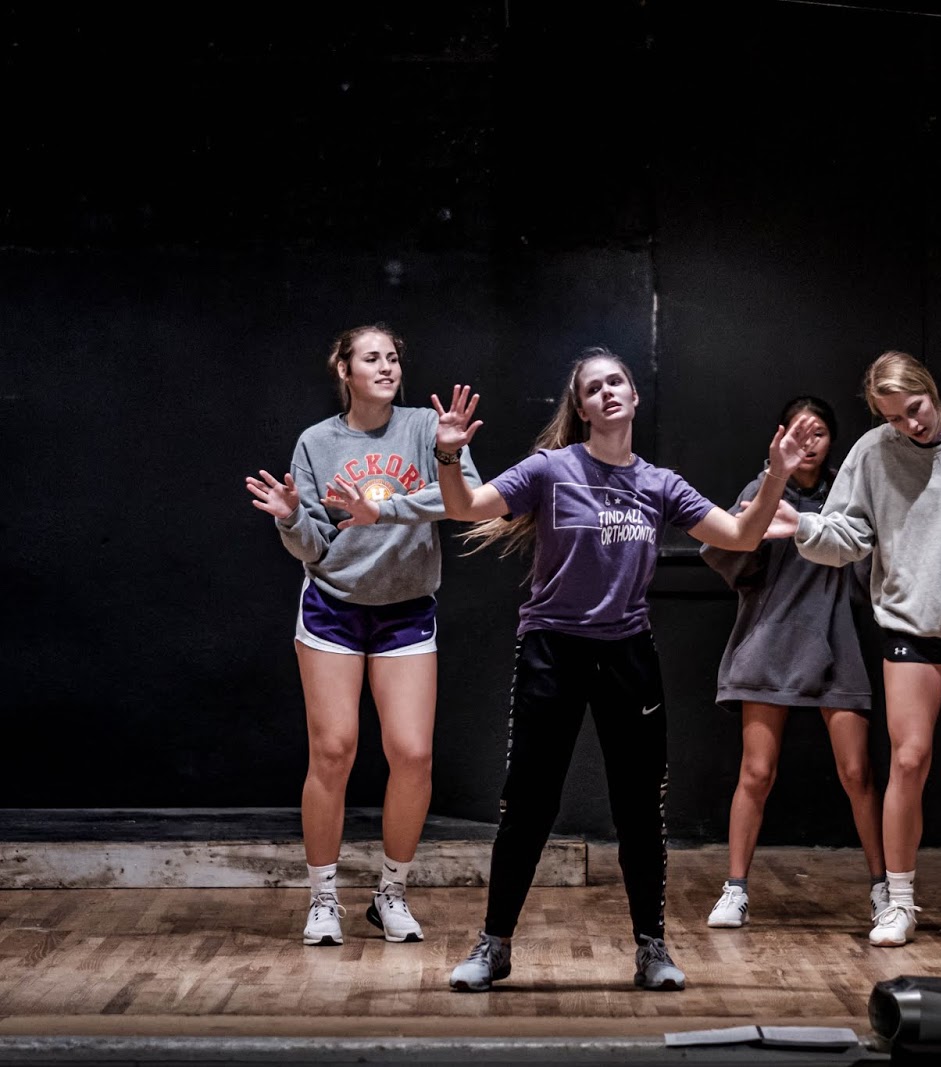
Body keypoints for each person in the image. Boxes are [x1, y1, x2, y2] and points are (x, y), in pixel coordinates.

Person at [429, 346, 821, 993]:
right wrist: (448, 455)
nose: (608, 391)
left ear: (634, 398)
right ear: (582, 408)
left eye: (617, 382)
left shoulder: (659, 484)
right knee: (528, 803)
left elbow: (742, 536)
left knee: (639, 809)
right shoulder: (550, 469)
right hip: (552, 649)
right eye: (594, 387)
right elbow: (466, 506)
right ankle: (494, 945)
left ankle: (651, 948)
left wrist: (776, 474)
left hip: (627, 653)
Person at [769, 350, 941, 947]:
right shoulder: (872, 453)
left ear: (930, 390)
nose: (909, 425)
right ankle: (898, 899)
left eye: (914, 409)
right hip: (910, 625)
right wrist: (803, 527)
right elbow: (846, 536)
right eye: (893, 418)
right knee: (909, 760)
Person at [245, 323, 480, 947]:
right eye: (371, 358)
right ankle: (323, 899)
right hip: (334, 607)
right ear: (343, 370)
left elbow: (464, 503)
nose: (386, 366)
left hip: (405, 608)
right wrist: (291, 518)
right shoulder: (317, 442)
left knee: (413, 754)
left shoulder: (427, 428)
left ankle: (391, 893)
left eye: (393, 357)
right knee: (333, 751)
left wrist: (444, 458)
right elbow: (314, 545)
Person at [700, 395, 887, 929]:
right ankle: (735, 889)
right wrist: (767, 499)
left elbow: (867, 567)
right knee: (756, 771)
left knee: (857, 772)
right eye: (798, 433)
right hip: (770, 640)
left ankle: (885, 888)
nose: (808, 443)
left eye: (818, 433)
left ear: (833, 442)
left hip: (834, 639)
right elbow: (733, 560)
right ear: (780, 436)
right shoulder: (762, 490)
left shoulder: (846, 497)